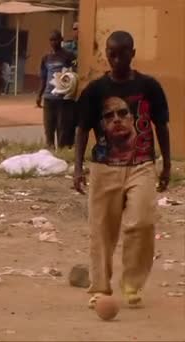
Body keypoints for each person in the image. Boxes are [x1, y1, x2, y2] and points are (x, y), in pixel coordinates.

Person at [73, 31, 171, 309]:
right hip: (104, 169)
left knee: (142, 222)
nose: (116, 59)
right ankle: (101, 288)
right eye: (111, 53)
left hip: (142, 165)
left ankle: (132, 284)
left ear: (132, 53)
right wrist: (78, 168)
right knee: (102, 231)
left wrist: (166, 164)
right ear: (107, 53)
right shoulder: (94, 90)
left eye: (122, 53)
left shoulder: (149, 86)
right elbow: (82, 130)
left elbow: (161, 126)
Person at [37, 30, 77, 149]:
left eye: (56, 39)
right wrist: (39, 95)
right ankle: (50, 149)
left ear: (61, 40)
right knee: (49, 126)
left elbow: (74, 72)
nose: (54, 42)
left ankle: (62, 151)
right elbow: (43, 78)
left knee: (62, 127)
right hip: (49, 97)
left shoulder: (69, 56)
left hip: (63, 98)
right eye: (51, 40)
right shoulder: (46, 58)